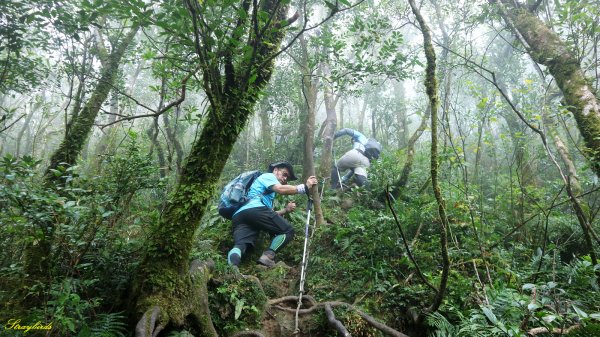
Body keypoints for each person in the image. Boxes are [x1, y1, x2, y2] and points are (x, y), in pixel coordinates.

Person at [227, 161, 318, 268]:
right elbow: (280, 189)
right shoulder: (268, 176)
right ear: (275, 170)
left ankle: (232, 270)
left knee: (240, 245)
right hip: (254, 210)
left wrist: (285, 210)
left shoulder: (262, 191)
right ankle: (267, 256)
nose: (285, 179)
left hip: (239, 215)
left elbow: (266, 215)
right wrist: (305, 187)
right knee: (287, 231)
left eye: (287, 178)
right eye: (284, 174)